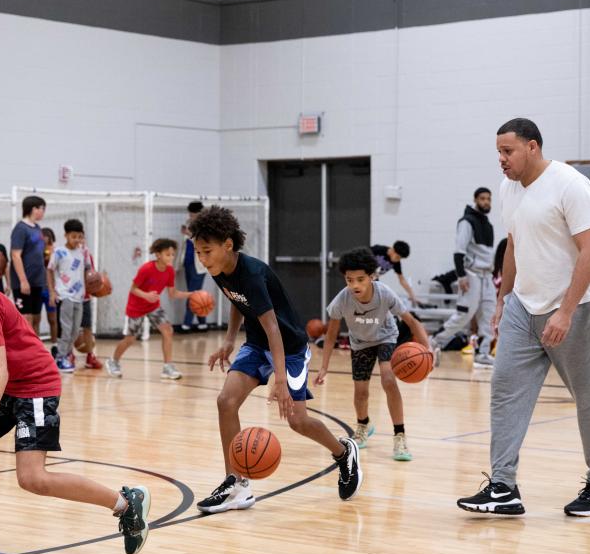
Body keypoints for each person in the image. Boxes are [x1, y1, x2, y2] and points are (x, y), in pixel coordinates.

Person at [0, 232, 149, 554]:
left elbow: (2, 369)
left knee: (33, 479)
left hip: (36, 386)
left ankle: (126, 504)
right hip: (8, 383)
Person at [457, 117, 590, 518]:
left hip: (575, 309)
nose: (501, 160)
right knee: (505, 392)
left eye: (507, 151)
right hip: (522, 308)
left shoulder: (570, 184)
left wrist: (564, 312)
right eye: (498, 152)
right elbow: (513, 244)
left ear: (532, 147)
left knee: (589, 401)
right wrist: (502, 299)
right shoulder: (508, 189)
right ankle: (503, 487)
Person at [190, 206, 363, 514]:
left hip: (290, 347)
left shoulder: (253, 274)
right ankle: (237, 484)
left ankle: (342, 452)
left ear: (227, 245)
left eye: (206, 251)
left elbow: (273, 328)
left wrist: (280, 379)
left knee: (297, 420)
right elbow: (236, 300)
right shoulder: (220, 270)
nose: (202, 259)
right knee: (225, 402)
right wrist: (230, 340)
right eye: (198, 253)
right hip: (258, 345)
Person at [315, 247, 431, 459]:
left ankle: (400, 436)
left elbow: (412, 322)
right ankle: (363, 425)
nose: (355, 285)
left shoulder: (384, 293)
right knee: (361, 392)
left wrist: (428, 352)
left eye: (360, 279)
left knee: (388, 379)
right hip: (360, 343)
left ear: (371, 277)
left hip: (386, 337)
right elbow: (330, 335)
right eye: (350, 280)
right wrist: (324, 366)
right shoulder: (342, 300)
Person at [105, 239, 192, 380]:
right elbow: (133, 289)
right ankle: (113, 361)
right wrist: (146, 295)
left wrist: (192, 295)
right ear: (158, 255)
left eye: (173, 255)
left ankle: (168, 367)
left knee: (168, 330)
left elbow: (172, 293)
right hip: (136, 307)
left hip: (153, 306)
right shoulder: (146, 269)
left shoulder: (170, 271)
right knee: (130, 339)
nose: (171, 257)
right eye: (167, 254)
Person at [429, 188, 496, 369]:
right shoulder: (467, 222)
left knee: (489, 317)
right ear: (475, 200)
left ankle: (482, 354)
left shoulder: (488, 225)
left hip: (487, 277)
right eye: (482, 198)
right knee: (463, 315)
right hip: (471, 275)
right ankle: (434, 341)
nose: (486, 202)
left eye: (489, 199)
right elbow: (459, 253)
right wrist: (461, 276)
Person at [47, 219, 87, 374]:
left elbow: (86, 271)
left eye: (79, 236)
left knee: (76, 331)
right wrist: (52, 291)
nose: (76, 240)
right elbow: (49, 270)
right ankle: (61, 358)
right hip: (65, 296)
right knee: (67, 328)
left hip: (80, 295)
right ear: (66, 235)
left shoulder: (82, 251)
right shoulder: (58, 252)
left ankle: (64, 352)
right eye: (73, 236)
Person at [10, 196, 47, 335]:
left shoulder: (38, 228)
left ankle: (36, 352)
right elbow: (15, 255)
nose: (43, 211)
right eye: (41, 208)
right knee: (26, 318)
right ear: (32, 208)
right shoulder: (20, 228)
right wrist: (23, 281)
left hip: (37, 281)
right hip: (24, 282)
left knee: (36, 318)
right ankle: (25, 354)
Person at [179, 201, 208, 332]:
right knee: (197, 295)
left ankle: (186, 324)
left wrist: (188, 234)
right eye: (190, 214)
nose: (190, 216)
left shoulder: (207, 226)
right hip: (188, 262)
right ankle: (202, 324)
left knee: (192, 294)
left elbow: (204, 242)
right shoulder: (189, 223)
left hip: (199, 264)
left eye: (193, 214)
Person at [77, 245, 104, 369]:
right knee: (69, 330)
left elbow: (91, 276)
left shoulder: (87, 256)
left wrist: (96, 286)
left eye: (81, 237)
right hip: (70, 296)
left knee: (88, 328)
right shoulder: (64, 255)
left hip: (85, 297)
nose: (79, 240)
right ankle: (66, 355)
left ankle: (90, 356)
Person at [41, 227, 59, 350]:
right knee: (35, 319)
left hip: (50, 289)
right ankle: (35, 347)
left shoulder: (56, 252)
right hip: (37, 287)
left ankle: (55, 345)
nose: (45, 238)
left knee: (52, 318)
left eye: (48, 236)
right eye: (43, 236)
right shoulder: (35, 252)